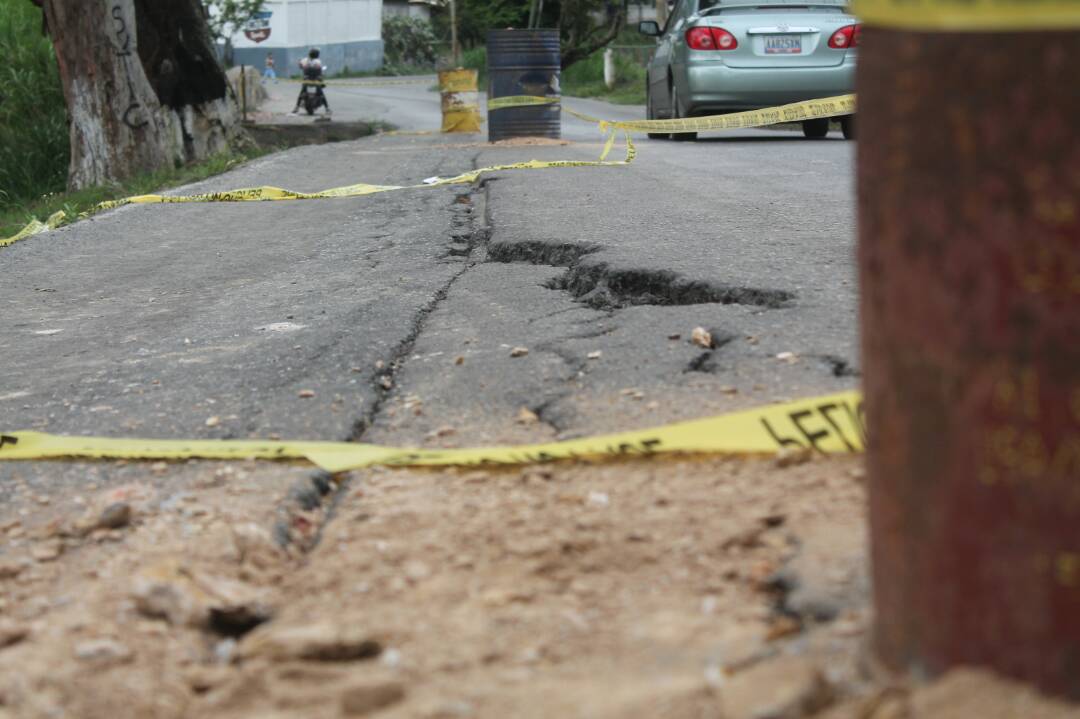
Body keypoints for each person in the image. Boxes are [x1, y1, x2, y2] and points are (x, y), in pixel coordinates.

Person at [290, 48, 331, 116]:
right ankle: (327, 108)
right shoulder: (318, 61)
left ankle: (296, 108)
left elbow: (300, 65)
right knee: (321, 94)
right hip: (316, 81)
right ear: (317, 55)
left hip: (307, 81)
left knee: (301, 93)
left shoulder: (305, 60)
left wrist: (301, 65)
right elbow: (320, 71)